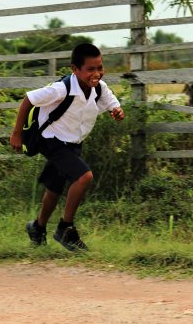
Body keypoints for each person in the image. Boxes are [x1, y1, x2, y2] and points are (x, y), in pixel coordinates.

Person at [10, 43, 124, 251]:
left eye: (100, 67)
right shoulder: (62, 88)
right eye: (90, 69)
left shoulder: (100, 87)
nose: (97, 73)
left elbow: (112, 104)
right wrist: (17, 133)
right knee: (84, 177)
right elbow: (28, 100)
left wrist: (117, 111)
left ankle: (37, 227)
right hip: (52, 141)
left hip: (72, 143)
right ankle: (66, 228)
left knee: (54, 189)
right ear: (75, 69)